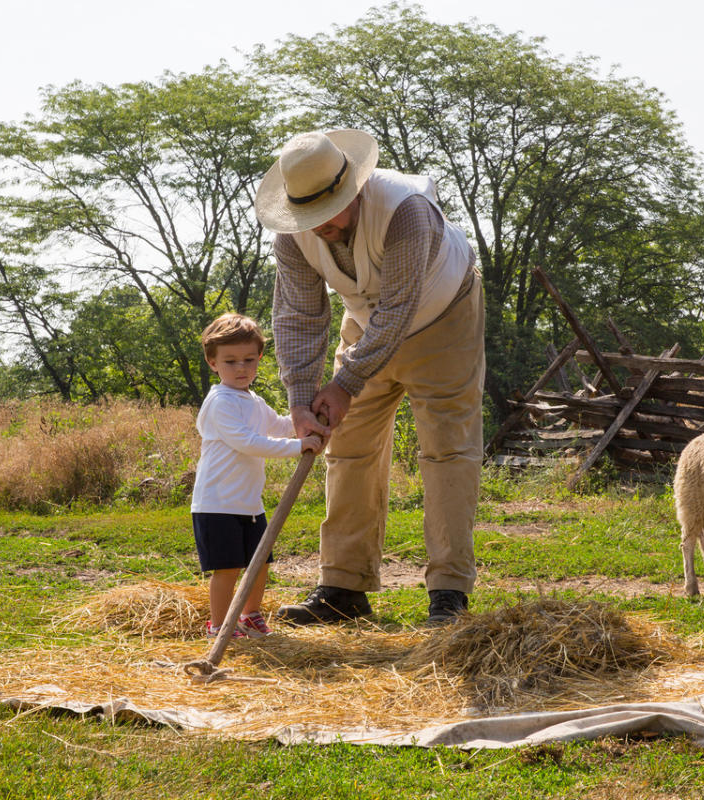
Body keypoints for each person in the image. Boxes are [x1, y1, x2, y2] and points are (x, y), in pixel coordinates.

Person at [255, 129, 485, 626]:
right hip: (365, 323)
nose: (319, 226)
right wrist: (301, 399)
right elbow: (298, 316)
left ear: (354, 188)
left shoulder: (407, 210)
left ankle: (449, 594)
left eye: (328, 212)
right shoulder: (294, 234)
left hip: (444, 318)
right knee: (348, 447)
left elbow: (400, 308)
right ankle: (344, 587)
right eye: (308, 217)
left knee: (447, 451)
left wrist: (344, 384)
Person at [191, 312, 323, 639]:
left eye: (249, 360)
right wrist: (298, 446)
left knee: (259, 564)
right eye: (231, 361)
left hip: (249, 505)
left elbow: (277, 425)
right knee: (227, 569)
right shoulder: (220, 402)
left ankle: (250, 615)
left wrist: (306, 420)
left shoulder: (252, 400)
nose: (241, 368)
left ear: (260, 358)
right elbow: (248, 443)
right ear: (213, 363)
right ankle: (219, 625)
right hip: (218, 504)